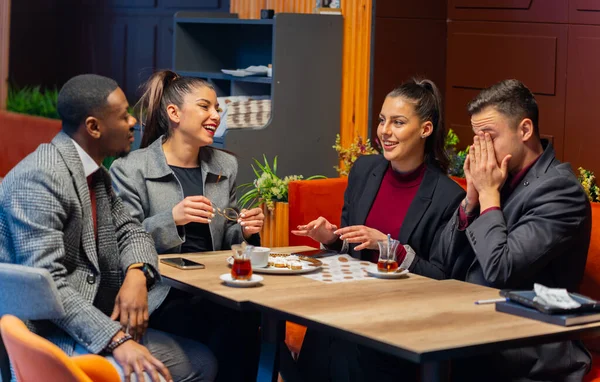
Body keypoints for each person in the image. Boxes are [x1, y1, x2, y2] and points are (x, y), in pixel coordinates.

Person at [0, 74, 217, 382]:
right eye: (123, 115)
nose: (133, 122)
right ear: (93, 127)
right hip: (48, 336)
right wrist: (117, 340)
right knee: (194, 364)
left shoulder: (97, 174)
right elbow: (48, 287)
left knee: (202, 359)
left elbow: (132, 232)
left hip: (88, 319)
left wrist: (136, 273)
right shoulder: (42, 177)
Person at [291, 78, 466, 381]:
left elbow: (442, 278)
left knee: (344, 343)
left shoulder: (448, 196)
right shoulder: (364, 170)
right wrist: (332, 238)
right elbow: (354, 243)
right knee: (323, 332)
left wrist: (388, 245)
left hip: (401, 318)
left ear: (425, 129)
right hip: (352, 304)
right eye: (383, 120)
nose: (385, 131)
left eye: (398, 122)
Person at [110, 70, 264, 381]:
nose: (215, 115)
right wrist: (173, 218)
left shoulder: (225, 165)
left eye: (217, 108)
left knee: (247, 316)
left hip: (215, 286)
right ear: (174, 113)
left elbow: (228, 237)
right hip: (162, 293)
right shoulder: (131, 169)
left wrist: (246, 230)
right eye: (205, 106)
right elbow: (122, 241)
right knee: (214, 325)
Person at [440, 79, 592, 381]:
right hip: (472, 330)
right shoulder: (498, 179)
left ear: (524, 130)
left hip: (527, 348)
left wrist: (488, 197)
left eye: (489, 137)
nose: (480, 150)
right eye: (476, 139)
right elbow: (442, 259)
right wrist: (471, 201)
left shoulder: (560, 191)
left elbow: (501, 269)